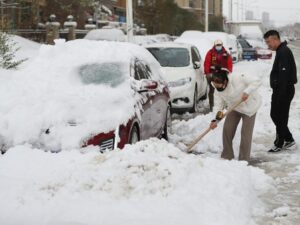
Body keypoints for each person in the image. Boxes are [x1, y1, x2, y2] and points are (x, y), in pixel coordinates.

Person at [209, 69, 262, 162]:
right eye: (215, 85)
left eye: (219, 85)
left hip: (249, 108)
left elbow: (257, 80)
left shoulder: (238, 78)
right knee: (227, 129)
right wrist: (215, 120)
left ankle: (244, 159)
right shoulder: (217, 90)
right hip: (235, 107)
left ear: (225, 81)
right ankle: (227, 155)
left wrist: (247, 91)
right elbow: (218, 106)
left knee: (245, 135)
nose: (217, 87)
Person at [263, 30, 297, 152]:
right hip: (282, 89)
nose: (267, 45)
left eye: (268, 42)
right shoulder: (281, 51)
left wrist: (281, 94)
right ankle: (288, 139)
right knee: (277, 116)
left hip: (284, 90)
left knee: (279, 116)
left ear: (275, 39)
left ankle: (279, 143)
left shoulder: (283, 52)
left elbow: (284, 75)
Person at [204, 39, 233, 111]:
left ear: (222, 45)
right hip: (213, 73)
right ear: (215, 45)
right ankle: (212, 106)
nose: (218, 46)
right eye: (217, 45)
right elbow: (206, 63)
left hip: (223, 73)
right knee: (212, 90)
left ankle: (225, 105)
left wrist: (228, 71)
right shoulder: (210, 53)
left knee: (225, 89)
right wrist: (207, 72)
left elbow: (230, 63)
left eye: (220, 45)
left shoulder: (226, 53)